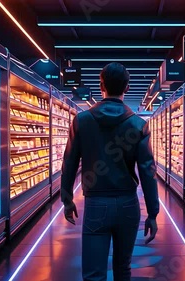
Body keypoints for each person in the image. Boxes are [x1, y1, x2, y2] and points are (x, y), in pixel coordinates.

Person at [60, 62, 160, 281]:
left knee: (94, 273)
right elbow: (147, 170)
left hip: (96, 203)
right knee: (123, 268)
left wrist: (67, 199)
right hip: (128, 204)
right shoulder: (138, 124)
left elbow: (69, 163)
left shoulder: (82, 121)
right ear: (127, 88)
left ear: (101, 85)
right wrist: (153, 212)